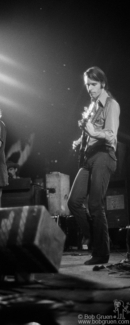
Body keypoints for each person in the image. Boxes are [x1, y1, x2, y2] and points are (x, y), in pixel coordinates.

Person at [67, 67, 120, 265]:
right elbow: (91, 132)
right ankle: (96, 237)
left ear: (102, 84)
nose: (89, 88)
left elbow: (111, 135)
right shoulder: (92, 106)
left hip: (104, 155)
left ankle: (101, 252)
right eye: (87, 84)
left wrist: (92, 131)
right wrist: (79, 141)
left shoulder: (110, 104)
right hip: (88, 157)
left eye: (93, 84)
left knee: (95, 204)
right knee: (73, 202)